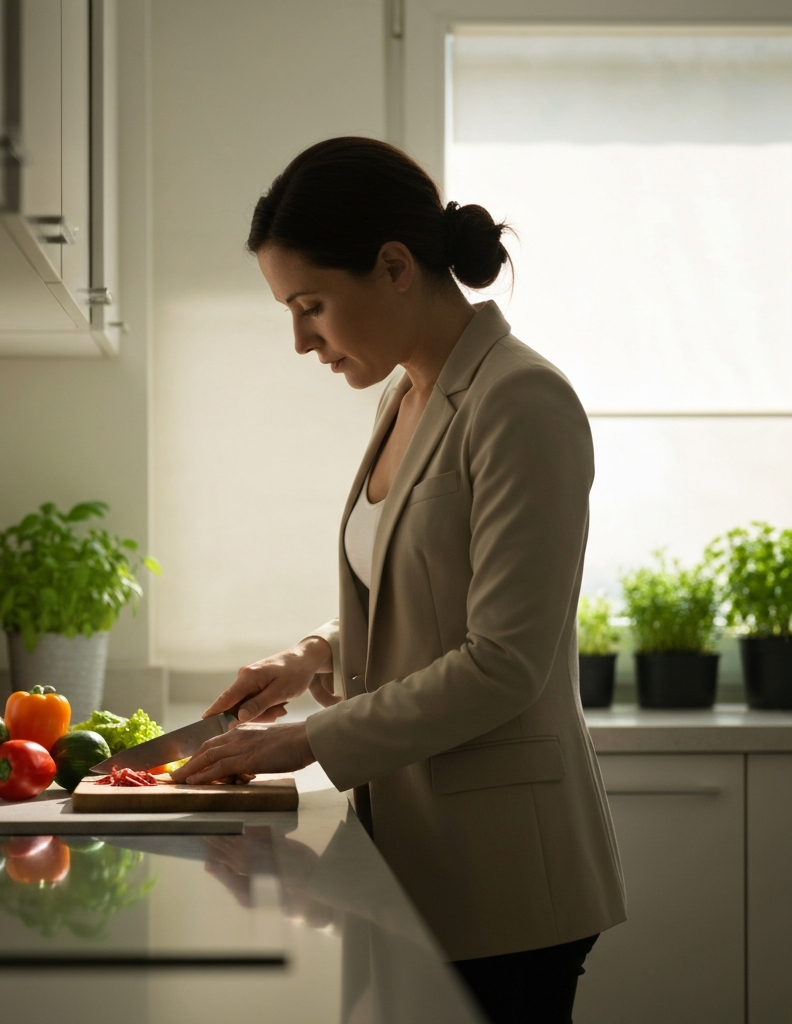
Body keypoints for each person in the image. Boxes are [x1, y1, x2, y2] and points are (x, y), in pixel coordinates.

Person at [171, 137, 626, 1024]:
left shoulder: (521, 400)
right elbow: (422, 602)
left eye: (311, 306)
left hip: (503, 879)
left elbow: (502, 660)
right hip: (409, 857)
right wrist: (314, 658)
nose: (301, 340)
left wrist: (307, 741)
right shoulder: (406, 396)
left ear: (393, 266)